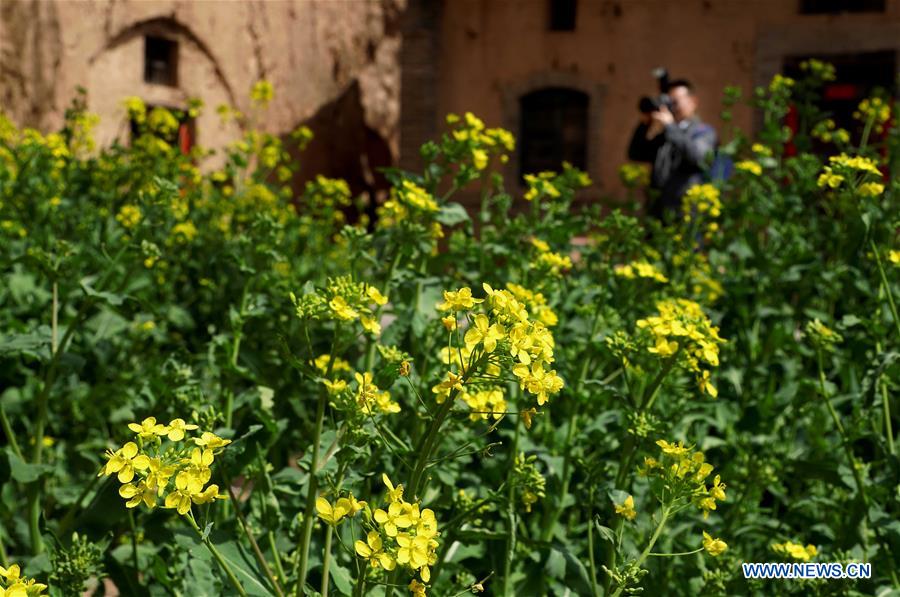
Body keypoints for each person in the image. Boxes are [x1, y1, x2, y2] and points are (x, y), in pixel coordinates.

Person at [627, 79, 717, 222]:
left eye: (675, 101)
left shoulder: (702, 132)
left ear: (693, 101)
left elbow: (698, 158)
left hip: (685, 212)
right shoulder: (666, 133)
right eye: (669, 102)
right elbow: (635, 153)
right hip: (657, 210)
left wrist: (670, 127)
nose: (672, 107)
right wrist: (645, 123)